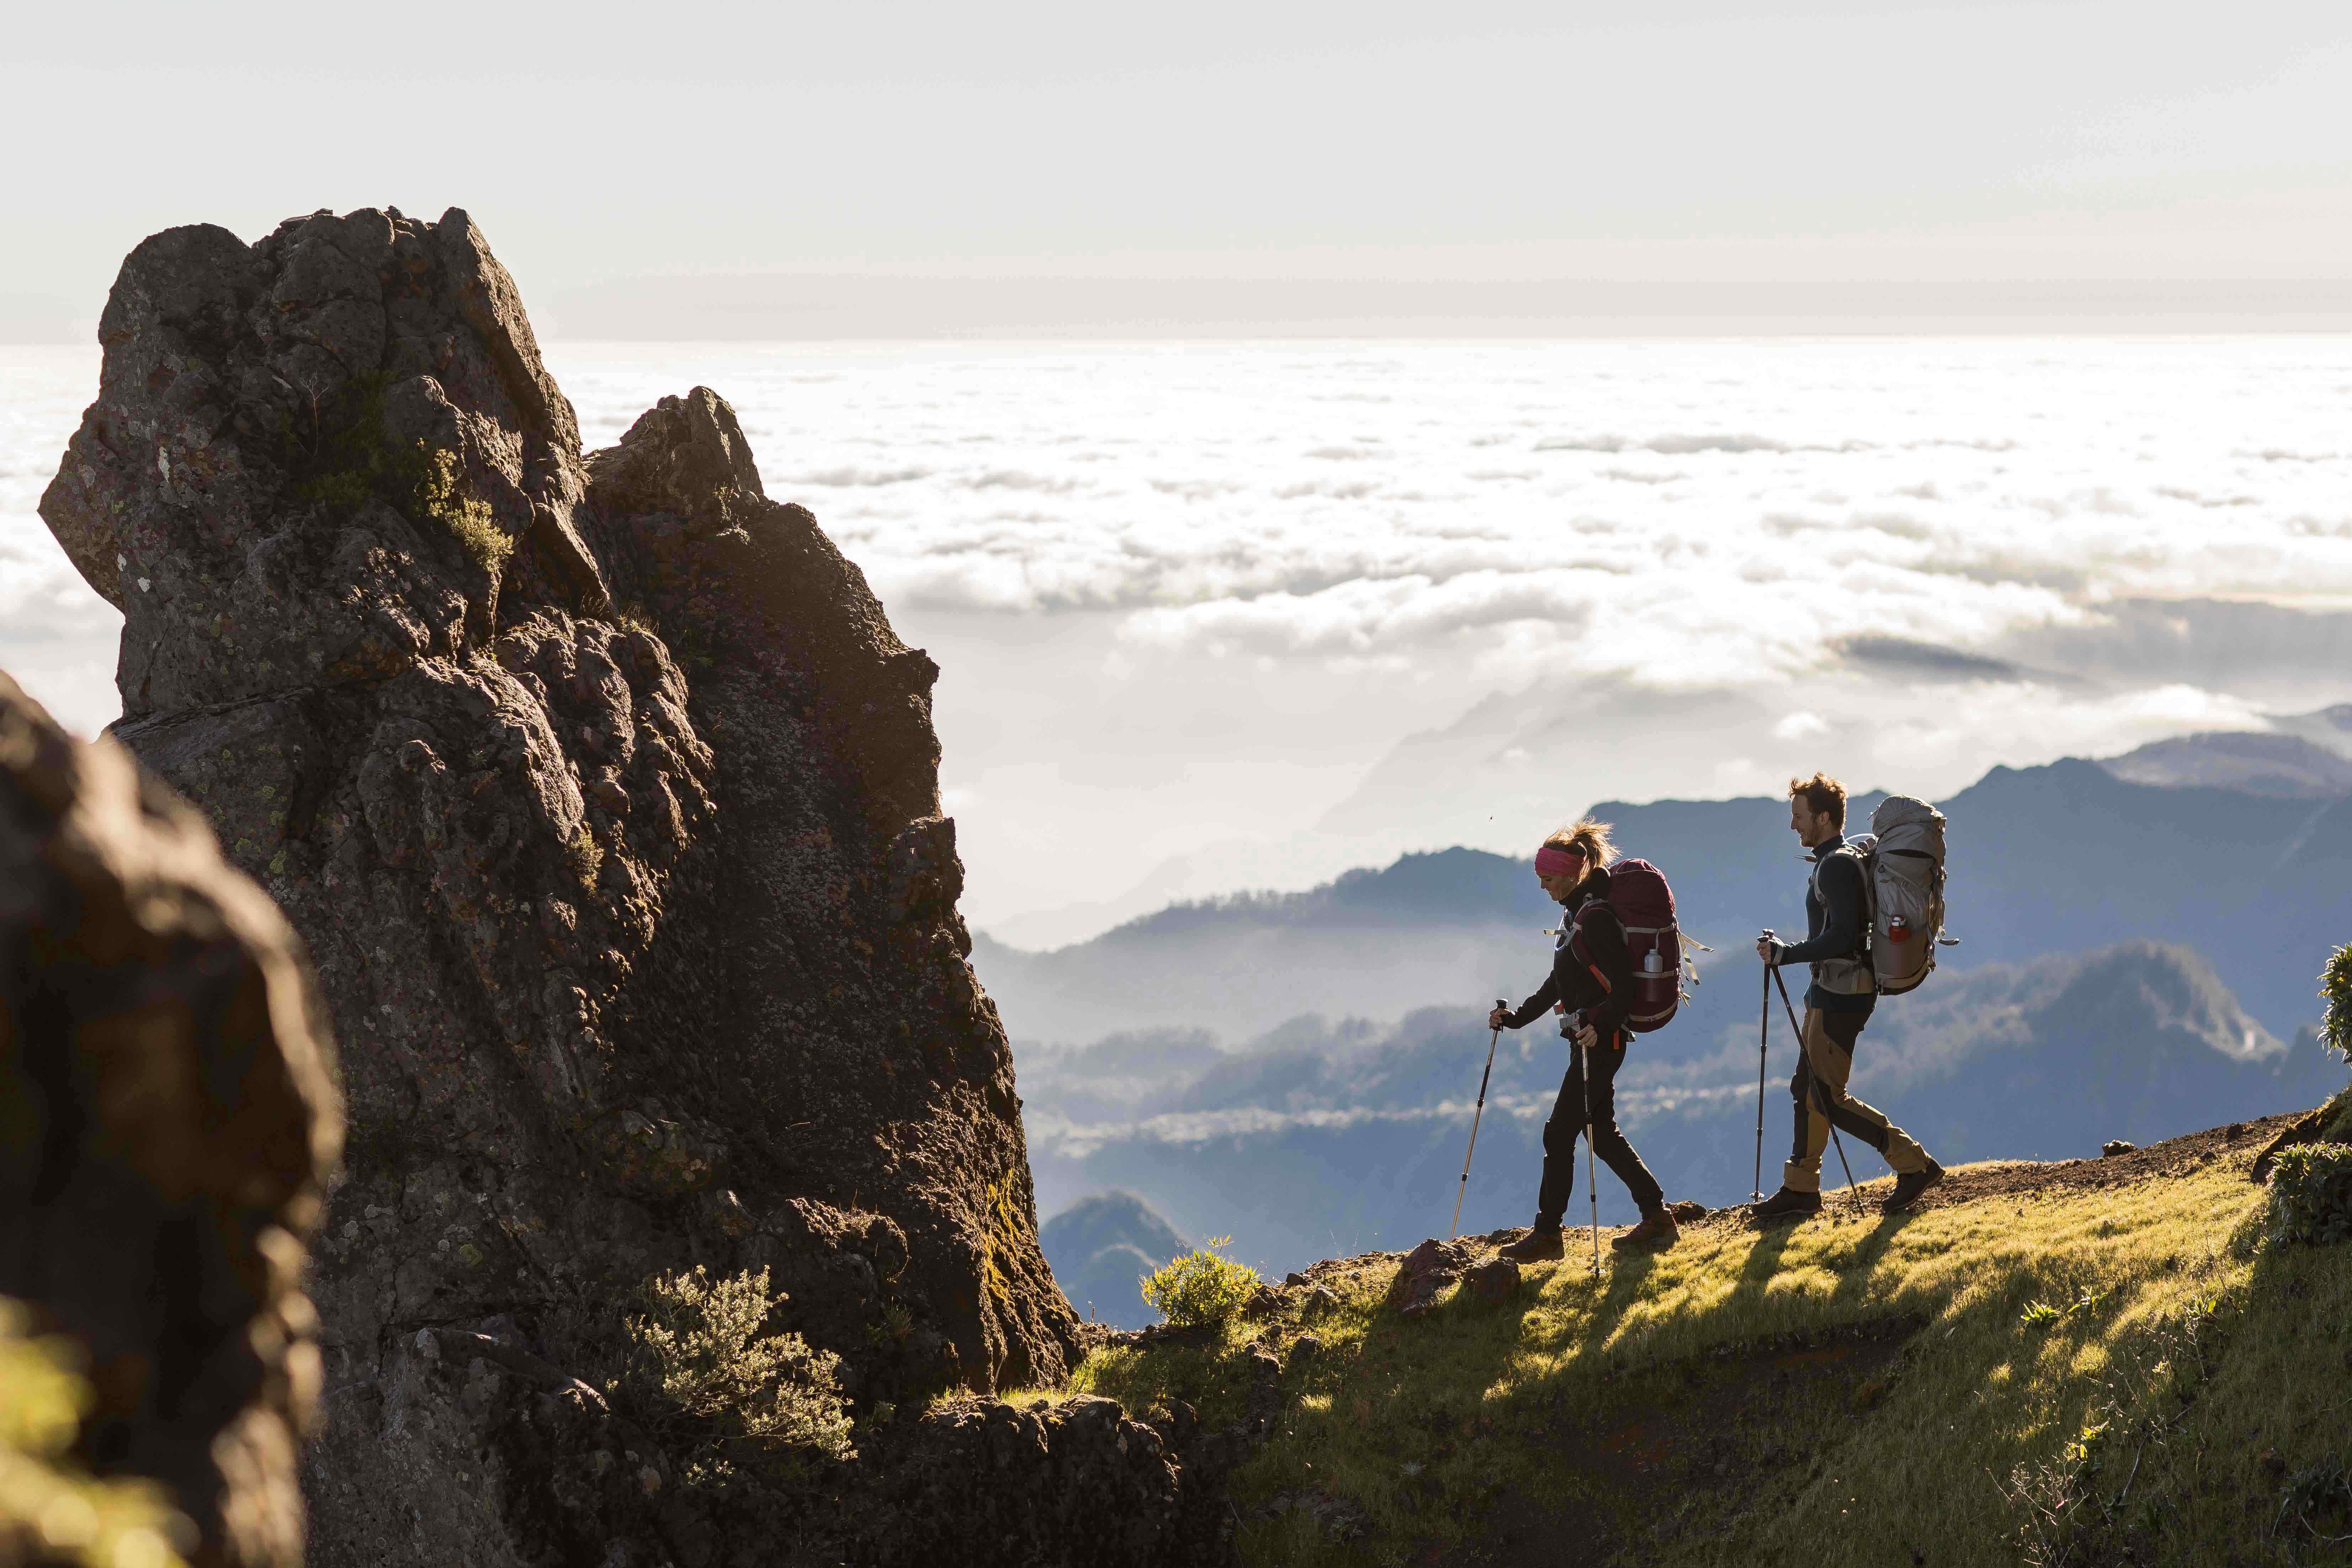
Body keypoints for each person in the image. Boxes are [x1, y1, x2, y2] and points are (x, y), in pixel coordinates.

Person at [1751, 773, 1945, 1221]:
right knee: (1807, 1087)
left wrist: (1787, 953)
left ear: (1823, 817)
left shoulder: (1836, 865)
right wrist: (1792, 952)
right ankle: (1800, 1187)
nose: (1793, 825)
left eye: (1799, 816)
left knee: (1827, 1096)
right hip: (1831, 989)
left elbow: (1841, 938)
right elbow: (1837, 934)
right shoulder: (1836, 860)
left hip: (1844, 993)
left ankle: (1913, 1164)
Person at [1492, 819, 1679, 1260]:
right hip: (1592, 1040)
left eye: (1549, 878)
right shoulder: (1576, 913)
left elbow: (1624, 985)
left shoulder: (1594, 917)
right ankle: (1657, 1216)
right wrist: (1516, 1018)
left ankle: (1548, 1235)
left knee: (1559, 1134)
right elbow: (1560, 979)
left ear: (1572, 872)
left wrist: (1599, 1021)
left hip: (1602, 1041)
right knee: (1600, 1131)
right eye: (1540, 879)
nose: (1544, 887)